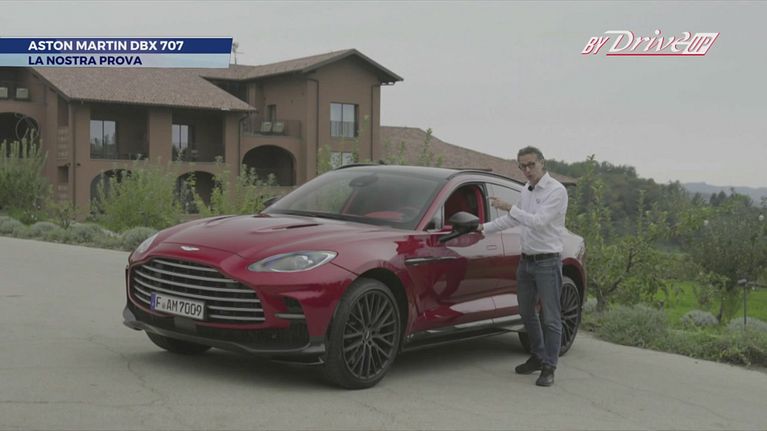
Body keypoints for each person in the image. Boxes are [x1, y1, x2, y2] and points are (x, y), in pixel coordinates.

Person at [476, 146, 568, 387]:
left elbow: (539, 221)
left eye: (531, 165)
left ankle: (549, 366)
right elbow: (512, 219)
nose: (527, 170)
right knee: (526, 313)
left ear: (542, 163)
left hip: (548, 261)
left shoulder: (556, 191)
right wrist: (483, 228)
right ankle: (538, 356)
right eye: (522, 166)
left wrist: (510, 207)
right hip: (526, 261)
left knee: (551, 317)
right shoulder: (526, 189)